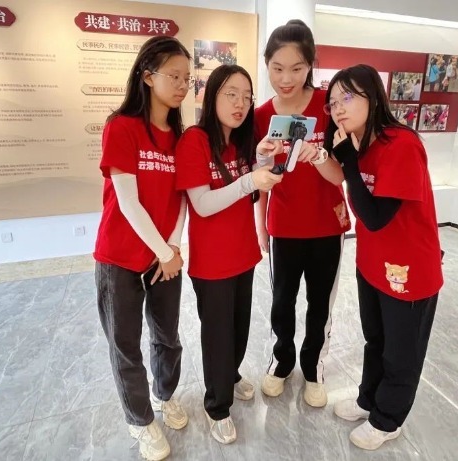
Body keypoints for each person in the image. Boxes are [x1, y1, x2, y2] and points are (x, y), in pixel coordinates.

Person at [323, 64, 443, 451]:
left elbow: (375, 216)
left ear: (373, 96)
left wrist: (348, 162)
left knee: (401, 352)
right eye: (332, 102)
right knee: (375, 340)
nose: (338, 108)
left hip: (409, 270)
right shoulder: (362, 146)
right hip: (373, 264)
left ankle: (389, 419)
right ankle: (368, 399)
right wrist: (345, 159)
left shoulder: (401, 144)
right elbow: (361, 208)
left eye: (347, 97)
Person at [93, 36, 193, 461]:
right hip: (120, 257)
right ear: (148, 76)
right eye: (175, 76)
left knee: (167, 337)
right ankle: (140, 420)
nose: (183, 85)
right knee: (126, 345)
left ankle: (164, 395)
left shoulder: (182, 137)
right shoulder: (122, 127)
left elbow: (183, 198)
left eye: (188, 78)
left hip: (164, 257)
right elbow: (128, 202)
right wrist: (165, 253)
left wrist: (171, 248)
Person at [175, 64, 282, 444]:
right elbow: (202, 204)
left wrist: (264, 161)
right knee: (218, 337)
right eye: (231, 94)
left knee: (238, 329)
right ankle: (217, 406)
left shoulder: (240, 142)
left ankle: (230, 376)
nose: (240, 104)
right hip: (213, 262)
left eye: (246, 97)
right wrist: (250, 179)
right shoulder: (194, 141)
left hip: (243, 253)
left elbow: (253, 187)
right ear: (212, 96)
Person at [254, 19, 351, 408]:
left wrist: (320, 155)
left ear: (310, 65)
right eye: (277, 68)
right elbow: (261, 176)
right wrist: (261, 226)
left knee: (320, 303)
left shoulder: (329, 108)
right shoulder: (261, 115)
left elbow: (340, 175)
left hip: (327, 224)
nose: (286, 78)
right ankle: (282, 362)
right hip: (284, 226)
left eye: (296, 68)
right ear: (267, 64)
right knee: (282, 301)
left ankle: (313, 369)